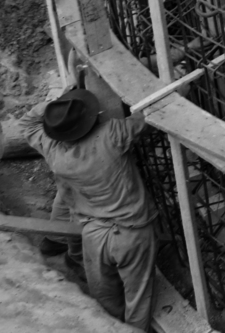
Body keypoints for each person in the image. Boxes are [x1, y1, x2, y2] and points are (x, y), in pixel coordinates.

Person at [29, 86, 157, 329]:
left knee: (104, 296)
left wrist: (55, 107)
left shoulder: (52, 150)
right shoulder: (113, 133)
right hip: (132, 231)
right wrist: (182, 89)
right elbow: (152, 115)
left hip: (94, 235)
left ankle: (112, 326)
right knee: (138, 298)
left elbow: (28, 123)